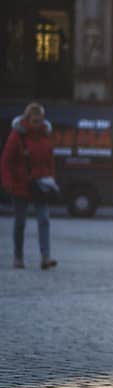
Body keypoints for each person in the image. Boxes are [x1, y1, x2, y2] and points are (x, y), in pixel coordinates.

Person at [1, 102, 58, 270]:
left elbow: (50, 160)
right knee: (20, 222)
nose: (38, 124)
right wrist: (8, 182)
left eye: (40, 120)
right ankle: (18, 257)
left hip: (40, 184)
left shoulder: (45, 135)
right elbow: (6, 161)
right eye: (35, 120)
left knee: (44, 219)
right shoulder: (17, 136)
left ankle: (45, 257)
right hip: (20, 185)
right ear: (27, 119)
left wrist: (51, 179)